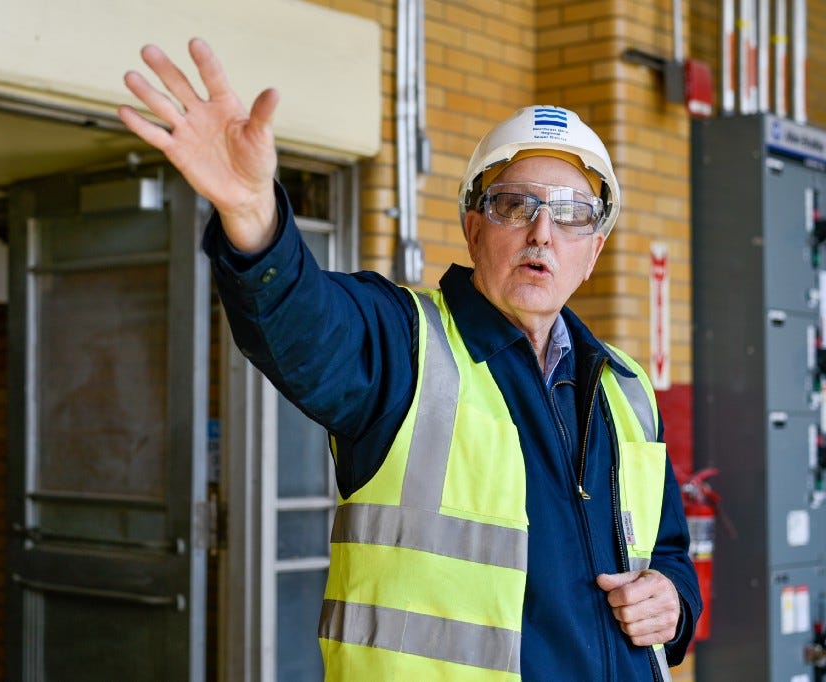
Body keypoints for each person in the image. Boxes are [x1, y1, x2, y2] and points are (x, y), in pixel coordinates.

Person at [120, 38, 701, 681]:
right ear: (474, 227)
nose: (542, 233)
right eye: (516, 205)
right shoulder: (405, 342)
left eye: (569, 216)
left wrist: (675, 601)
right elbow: (303, 326)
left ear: (593, 253)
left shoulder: (625, 387)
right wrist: (253, 217)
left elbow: (667, 550)